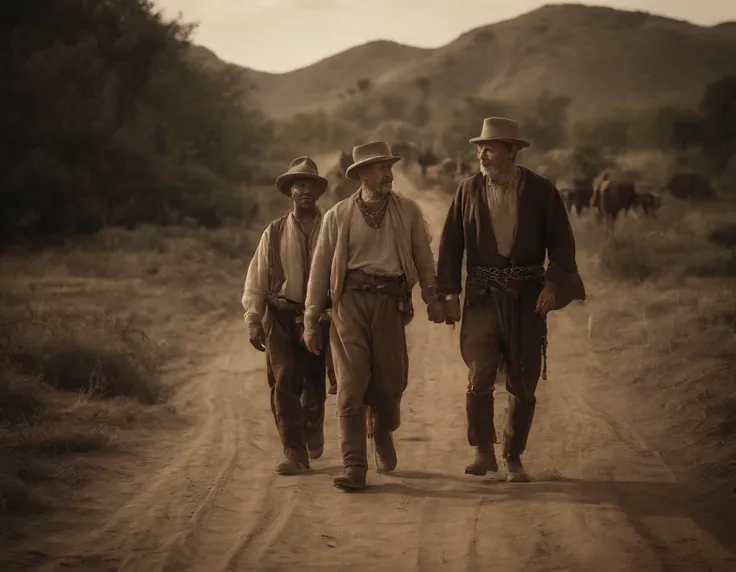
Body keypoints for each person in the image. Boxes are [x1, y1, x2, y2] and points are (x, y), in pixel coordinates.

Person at [436, 117, 586, 482]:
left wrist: (553, 285)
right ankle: (483, 451)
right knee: (480, 373)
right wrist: (449, 292)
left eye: (488, 148)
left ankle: (513, 456)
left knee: (523, 379)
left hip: (526, 299)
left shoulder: (541, 191)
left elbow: (563, 245)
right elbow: (451, 244)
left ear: (511, 151)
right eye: (479, 148)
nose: (481, 155)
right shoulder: (467, 190)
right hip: (482, 298)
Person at [303, 141, 445, 492]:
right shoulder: (338, 215)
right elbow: (320, 270)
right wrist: (310, 318)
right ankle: (355, 465)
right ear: (362, 174)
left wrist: (432, 296)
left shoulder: (408, 211)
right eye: (381, 168)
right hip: (348, 305)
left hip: (390, 303)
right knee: (351, 386)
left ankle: (381, 429)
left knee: (390, 382)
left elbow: (423, 258)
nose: (388, 174)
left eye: (389, 167)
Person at [241, 156, 333, 476]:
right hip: (281, 318)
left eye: (311, 185)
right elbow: (257, 277)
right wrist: (254, 318)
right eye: (299, 185)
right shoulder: (275, 231)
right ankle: (293, 451)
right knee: (284, 382)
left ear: (319, 192)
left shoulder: (332, 227)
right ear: (290, 192)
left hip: (321, 320)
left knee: (314, 388)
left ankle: (314, 422)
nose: (306, 190)